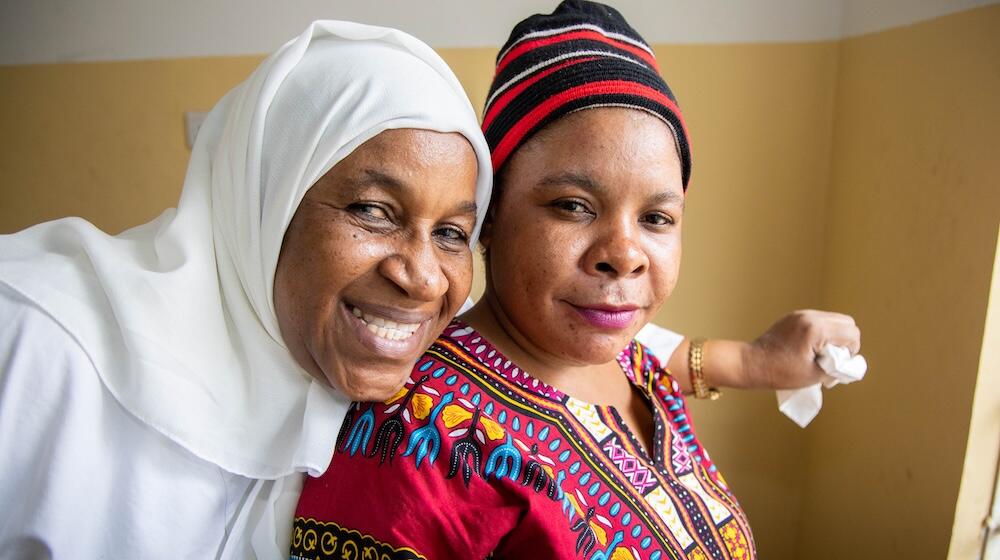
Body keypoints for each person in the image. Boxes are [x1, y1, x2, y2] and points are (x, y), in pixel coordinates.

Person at [290, 3, 859, 559]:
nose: (625, 255)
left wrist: (760, 361)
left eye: (656, 218)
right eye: (573, 206)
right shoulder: (417, 441)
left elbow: (672, 358)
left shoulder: (631, 367)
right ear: (489, 217)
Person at [0, 21, 493, 559]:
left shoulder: (449, 404)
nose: (422, 279)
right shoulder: (38, 342)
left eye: (451, 234)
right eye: (372, 212)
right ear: (266, 201)